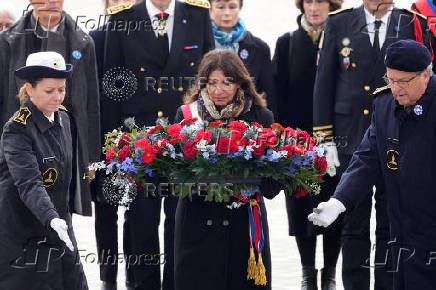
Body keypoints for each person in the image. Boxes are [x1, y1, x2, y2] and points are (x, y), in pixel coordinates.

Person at [312, 1, 431, 289]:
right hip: (353, 135)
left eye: (402, 81)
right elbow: (365, 159)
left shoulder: (411, 21)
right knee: (357, 229)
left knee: (398, 237)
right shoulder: (384, 103)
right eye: (391, 80)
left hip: (425, 212)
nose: (396, 87)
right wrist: (338, 200)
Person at [102, 0, 214, 289]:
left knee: (182, 221)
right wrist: (113, 145)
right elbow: (112, 84)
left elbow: (209, 79)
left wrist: (211, 136)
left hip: (185, 138)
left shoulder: (198, 14)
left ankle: (178, 284)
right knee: (141, 224)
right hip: (138, 139)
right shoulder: (123, 17)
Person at [173, 49, 282, 290]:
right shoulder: (186, 116)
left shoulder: (261, 117)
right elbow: (174, 175)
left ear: (240, 82)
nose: (218, 90)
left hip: (243, 226)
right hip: (197, 225)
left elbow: (272, 185)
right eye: (212, 83)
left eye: (227, 82)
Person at [0, 0, 101, 218]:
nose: (52, 2)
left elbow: (91, 104)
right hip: (19, 141)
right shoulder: (7, 42)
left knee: (60, 213)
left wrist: (92, 156)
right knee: (18, 210)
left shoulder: (84, 42)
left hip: (66, 142)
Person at [0, 51, 88, 289]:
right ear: (29, 89)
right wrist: (51, 218)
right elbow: (29, 183)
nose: (58, 97)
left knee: (73, 282)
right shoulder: (17, 129)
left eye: (62, 89)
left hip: (59, 225)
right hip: (24, 229)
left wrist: (60, 220)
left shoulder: (65, 120)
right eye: (49, 91)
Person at [273, 0, 343, 289]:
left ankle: (329, 274)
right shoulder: (287, 42)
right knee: (301, 204)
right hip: (297, 142)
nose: (314, 7)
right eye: (309, 1)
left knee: (335, 204)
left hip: (335, 142)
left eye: (321, 1)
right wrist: (281, 140)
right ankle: (306, 272)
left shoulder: (341, 40)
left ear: (332, 6)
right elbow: (277, 94)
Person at [89, 1, 140, 289]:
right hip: (103, 140)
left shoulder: (144, 40)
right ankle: (108, 279)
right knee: (105, 210)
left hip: (136, 141)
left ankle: (134, 276)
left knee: (136, 210)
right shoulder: (94, 39)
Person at [209, 0, 276, 114]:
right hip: (205, 120)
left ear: (240, 8)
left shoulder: (259, 48)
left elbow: (268, 95)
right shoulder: (198, 44)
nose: (227, 13)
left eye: (232, 7)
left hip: (248, 121)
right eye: (220, 7)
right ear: (210, 9)